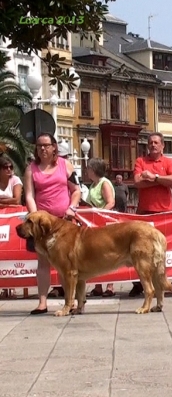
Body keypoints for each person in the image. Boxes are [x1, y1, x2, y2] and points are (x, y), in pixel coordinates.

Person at [24, 133, 81, 315]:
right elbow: (29, 195)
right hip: (42, 225)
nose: (43, 148)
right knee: (43, 263)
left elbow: (76, 190)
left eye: (46, 145)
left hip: (64, 222)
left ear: (54, 147)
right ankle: (42, 302)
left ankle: (70, 301)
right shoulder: (31, 169)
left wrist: (72, 207)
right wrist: (34, 217)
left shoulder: (66, 166)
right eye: (39, 145)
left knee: (66, 264)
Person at [130, 132, 172, 296]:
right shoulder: (140, 161)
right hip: (145, 213)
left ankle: (171, 280)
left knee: (165, 249)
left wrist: (154, 177)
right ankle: (142, 283)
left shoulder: (168, 162)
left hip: (165, 212)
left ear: (162, 145)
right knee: (143, 251)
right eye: (150, 142)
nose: (153, 145)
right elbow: (138, 182)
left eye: (156, 142)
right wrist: (160, 181)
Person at [85, 158, 116, 297]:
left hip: (105, 222)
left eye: (88, 168)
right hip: (95, 223)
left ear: (94, 169)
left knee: (107, 254)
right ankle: (98, 286)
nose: (87, 171)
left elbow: (110, 202)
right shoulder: (93, 185)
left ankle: (110, 286)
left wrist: (99, 212)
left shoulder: (104, 183)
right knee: (96, 255)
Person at [0, 156, 23, 299]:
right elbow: (12, 200)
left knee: (11, 249)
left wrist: (2, 203)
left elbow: (17, 200)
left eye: (10, 167)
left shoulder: (16, 180)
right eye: (5, 167)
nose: (9, 170)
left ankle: (12, 285)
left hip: (12, 219)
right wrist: (9, 202)